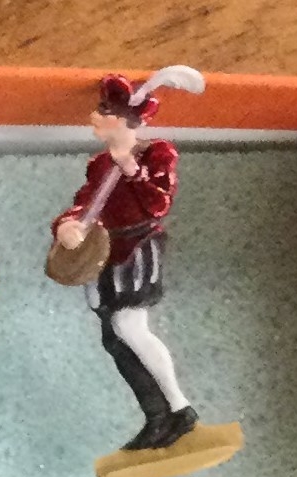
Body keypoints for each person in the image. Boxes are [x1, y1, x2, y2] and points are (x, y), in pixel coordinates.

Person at [54, 74, 198, 452]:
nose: (94, 117)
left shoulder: (157, 153)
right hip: (105, 252)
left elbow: (158, 203)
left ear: (124, 120)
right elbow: (85, 203)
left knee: (129, 325)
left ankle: (180, 407)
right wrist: (67, 225)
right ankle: (157, 417)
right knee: (115, 338)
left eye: (103, 111)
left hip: (137, 247)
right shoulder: (99, 164)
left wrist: (132, 169)